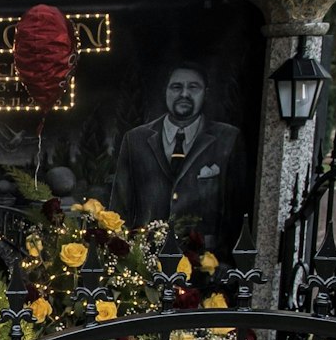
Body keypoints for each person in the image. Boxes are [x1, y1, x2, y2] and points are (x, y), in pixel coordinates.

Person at [107, 63, 249, 251]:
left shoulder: (228, 139)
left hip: (205, 260)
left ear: (205, 93)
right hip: (145, 258)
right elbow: (120, 204)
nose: (184, 94)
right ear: (165, 91)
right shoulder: (135, 139)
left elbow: (236, 208)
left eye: (193, 87)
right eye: (176, 87)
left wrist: (224, 260)